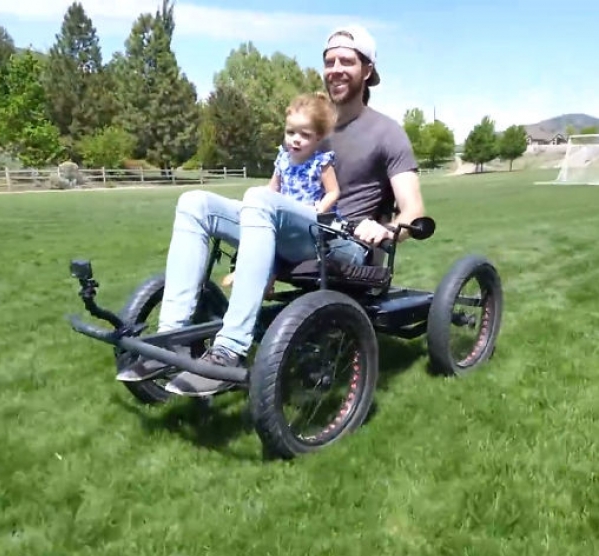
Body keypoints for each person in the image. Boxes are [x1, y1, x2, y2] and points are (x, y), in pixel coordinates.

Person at [117, 23, 425, 397]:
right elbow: (280, 188)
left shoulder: (387, 133)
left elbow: (412, 210)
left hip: (345, 243)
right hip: (297, 231)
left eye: (347, 61)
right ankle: (171, 340)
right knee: (194, 202)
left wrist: (388, 230)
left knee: (258, 200)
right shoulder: (311, 124)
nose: (336, 69)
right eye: (330, 61)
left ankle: (228, 352)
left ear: (368, 70)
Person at [221, 90, 342, 295]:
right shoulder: (283, 160)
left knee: (274, 241)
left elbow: (334, 192)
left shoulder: (320, 162)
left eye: (305, 135)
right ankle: (261, 281)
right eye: (291, 132)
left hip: (309, 222)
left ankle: (254, 276)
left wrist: (319, 209)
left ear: (318, 138)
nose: (296, 139)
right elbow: (272, 189)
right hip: (284, 219)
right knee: (266, 237)